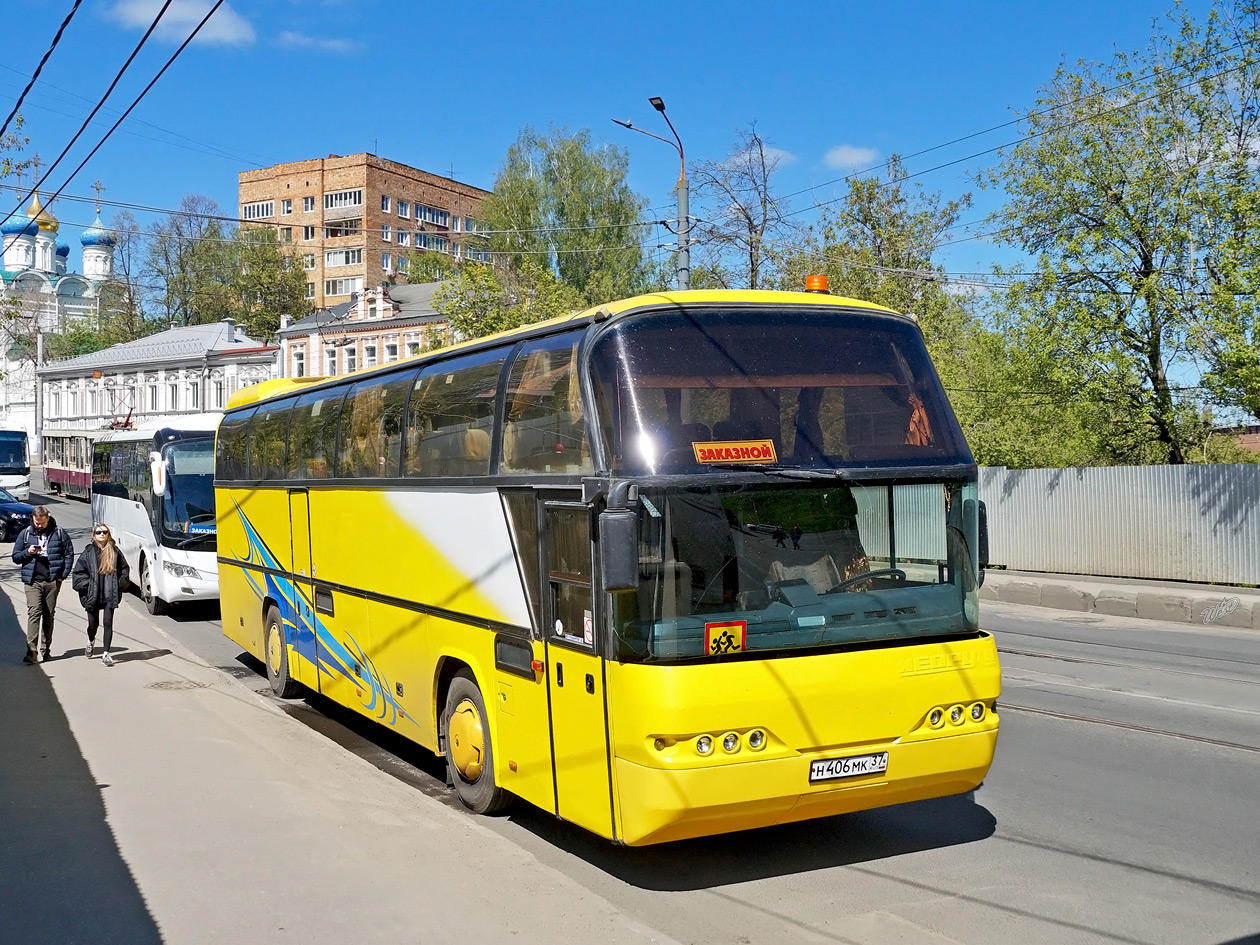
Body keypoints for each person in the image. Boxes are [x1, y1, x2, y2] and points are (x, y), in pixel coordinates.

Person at [12, 506, 75, 663]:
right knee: (34, 612)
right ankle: (31, 651)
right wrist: (28, 552)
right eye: (36, 522)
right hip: (32, 581)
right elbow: (15, 556)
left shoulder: (59, 533)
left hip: (52, 580)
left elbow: (69, 554)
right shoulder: (26, 533)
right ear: (33, 519)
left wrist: (62, 576)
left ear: (48, 518)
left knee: (49, 615)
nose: (39, 525)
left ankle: (46, 649)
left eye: (42, 523)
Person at [71, 523, 130, 667]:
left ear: (108, 534)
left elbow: (124, 569)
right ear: (94, 535)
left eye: (104, 532)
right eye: (98, 532)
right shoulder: (89, 552)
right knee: (93, 624)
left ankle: (106, 654)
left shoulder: (114, 551)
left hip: (109, 593)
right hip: (94, 594)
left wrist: (120, 583)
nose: (102, 535)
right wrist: (87, 585)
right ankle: (91, 641)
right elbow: (78, 572)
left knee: (108, 623)